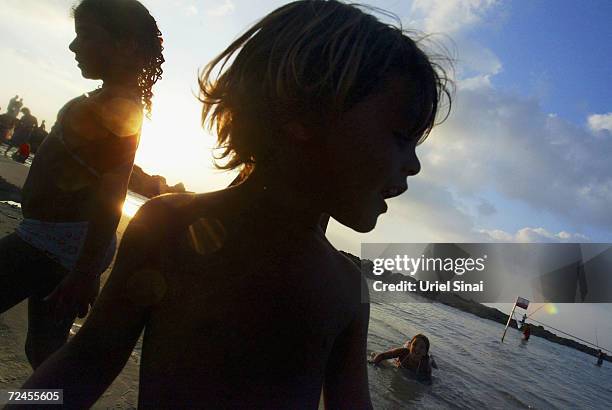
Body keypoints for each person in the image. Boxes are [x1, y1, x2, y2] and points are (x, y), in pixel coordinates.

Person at [17, 1, 451, 408]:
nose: (413, 165)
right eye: (400, 137)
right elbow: (86, 360)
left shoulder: (345, 294)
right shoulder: (167, 227)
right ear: (303, 114)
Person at [0, 0, 164, 370]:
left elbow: (112, 188)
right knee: (44, 351)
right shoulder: (113, 100)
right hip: (63, 242)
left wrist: (86, 272)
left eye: (85, 36)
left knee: (45, 349)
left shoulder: (119, 106)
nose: (74, 47)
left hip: (54, 242)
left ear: (126, 46)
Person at [369, 334, 437, 381]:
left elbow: (428, 381)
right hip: (406, 350)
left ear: (425, 352)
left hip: (427, 359)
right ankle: (408, 343)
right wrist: (374, 363)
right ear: (411, 345)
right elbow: (382, 355)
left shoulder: (425, 364)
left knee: (430, 360)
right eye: (415, 344)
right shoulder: (403, 352)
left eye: (421, 347)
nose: (417, 348)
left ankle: (431, 356)